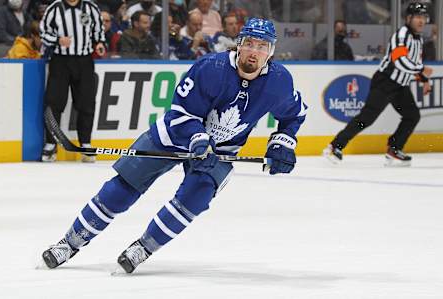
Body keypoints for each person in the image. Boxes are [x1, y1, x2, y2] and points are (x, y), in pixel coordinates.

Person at [40, 17, 307, 273]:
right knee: (121, 189)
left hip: (220, 152)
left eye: (262, 47)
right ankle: (69, 243)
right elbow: (181, 112)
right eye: (249, 43)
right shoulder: (211, 68)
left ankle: (142, 249)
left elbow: (295, 114)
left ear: (270, 52)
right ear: (239, 44)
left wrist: (282, 143)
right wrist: (197, 137)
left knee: (194, 198)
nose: (253, 51)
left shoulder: (279, 82)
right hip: (173, 136)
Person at [323, 2, 433, 167]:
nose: (421, 21)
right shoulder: (402, 35)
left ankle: (394, 149)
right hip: (385, 82)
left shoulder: (418, 39)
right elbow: (400, 61)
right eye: (417, 17)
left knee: (412, 115)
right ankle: (335, 146)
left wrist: (423, 79)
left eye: (423, 17)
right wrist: (422, 70)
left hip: (400, 85)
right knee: (367, 118)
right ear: (408, 18)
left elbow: (413, 63)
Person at [40, 0, 105, 162]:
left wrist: (99, 43)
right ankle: (50, 144)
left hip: (84, 61)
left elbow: (99, 31)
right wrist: (57, 40)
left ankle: (86, 144)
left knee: (86, 103)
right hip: (60, 61)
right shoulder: (55, 8)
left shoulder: (91, 8)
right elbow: (43, 32)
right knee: (54, 102)